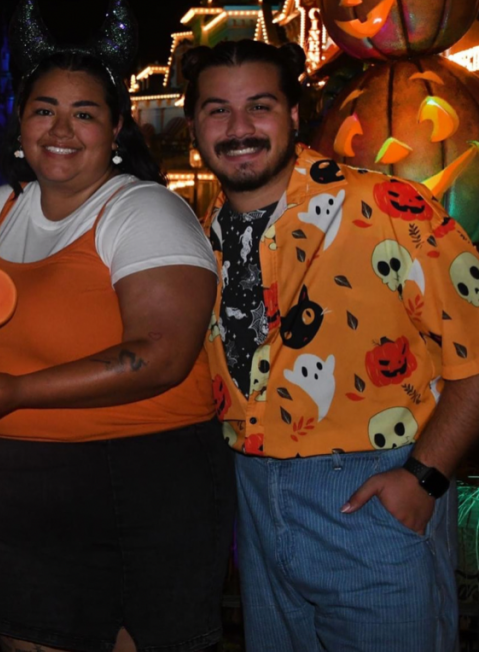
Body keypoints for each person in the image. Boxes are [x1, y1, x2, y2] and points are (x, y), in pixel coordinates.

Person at [0, 0, 234, 652]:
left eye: (85, 113)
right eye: (44, 110)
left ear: (115, 125)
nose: (61, 129)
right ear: (21, 119)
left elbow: (161, 355)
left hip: (135, 492)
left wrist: (13, 394)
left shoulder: (143, 211)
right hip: (18, 505)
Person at [184, 38, 479, 652]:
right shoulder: (195, 237)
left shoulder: (386, 205)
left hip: (374, 490)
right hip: (257, 503)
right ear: (195, 125)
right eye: (218, 110)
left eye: (259, 107)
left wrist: (423, 479)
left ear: (293, 115)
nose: (239, 129)